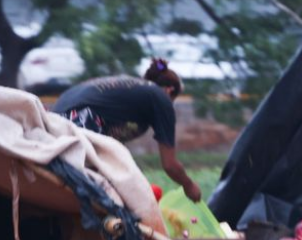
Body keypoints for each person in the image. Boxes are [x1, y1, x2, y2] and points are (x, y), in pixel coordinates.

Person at [52, 58, 202, 202]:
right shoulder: (160, 98)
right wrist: (189, 186)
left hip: (53, 121)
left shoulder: (131, 89)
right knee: (107, 193)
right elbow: (170, 165)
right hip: (79, 121)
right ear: (169, 91)